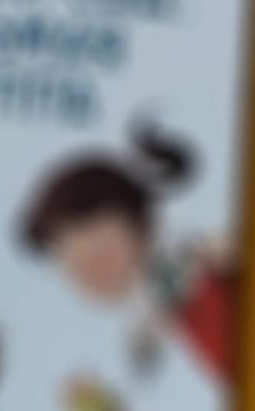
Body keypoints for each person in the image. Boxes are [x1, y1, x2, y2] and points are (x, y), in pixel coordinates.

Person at [19, 121, 235, 379]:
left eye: (102, 255)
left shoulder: (205, 268)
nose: (89, 273)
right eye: (71, 262)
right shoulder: (152, 322)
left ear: (140, 222)